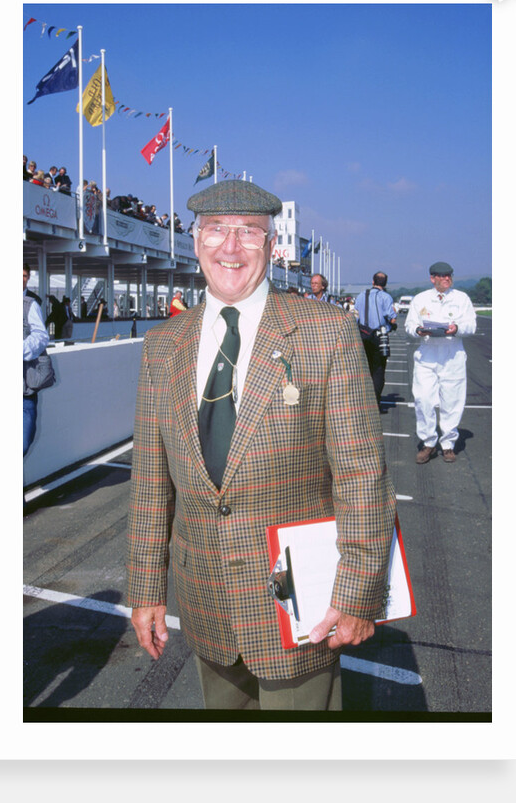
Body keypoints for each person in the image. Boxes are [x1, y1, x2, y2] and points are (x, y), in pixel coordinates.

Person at [127, 179, 395, 711]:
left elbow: (362, 475)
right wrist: (145, 588)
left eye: (249, 232)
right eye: (215, 231)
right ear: (195, 241)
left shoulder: (326, 332)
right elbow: (151, 483)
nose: (231, 246)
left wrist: (358, 593)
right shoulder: (162, 344)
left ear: (271, 246)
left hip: (302, 606)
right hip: (205, 597)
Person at [405, 261, 476, 463]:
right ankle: (428, 442)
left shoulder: (461, 298)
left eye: (449, 275)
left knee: (452, 401)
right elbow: (410, 325)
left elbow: (471, 325)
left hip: (452, 354)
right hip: (427, 355)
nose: (447, 279)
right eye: (442, 276)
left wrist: (457, 328)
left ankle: (448, 444)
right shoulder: (420, 299)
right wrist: (418, 330)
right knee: (423, 399)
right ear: (432, 278)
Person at [354, 272, 398, 409]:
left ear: (373, 282)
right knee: (378, 369)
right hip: (379, 336)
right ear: (385, 283)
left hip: (362, 335)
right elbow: (391, 318)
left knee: (364, 368)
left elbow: (355, 315)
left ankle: (363, 400)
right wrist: (393, 322)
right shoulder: (386, 297)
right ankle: (375, 401)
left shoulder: (361, 295)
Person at [23, 269, 49, 457]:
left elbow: (41, 336)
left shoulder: (31, 304)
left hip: (24, 387)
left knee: (23, 442)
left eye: (24, 276)